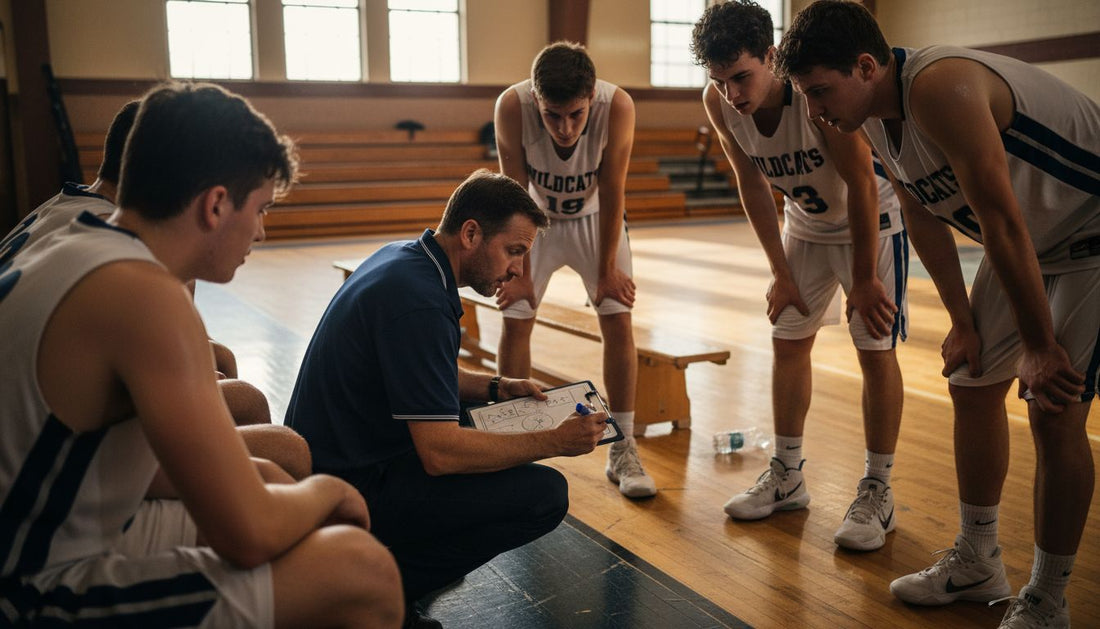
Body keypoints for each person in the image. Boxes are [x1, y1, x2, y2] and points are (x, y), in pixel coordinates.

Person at [0, 82, 402, 628]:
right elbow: (248, 535)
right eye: (260, 209)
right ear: (215, 204)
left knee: (273, 478)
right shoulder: (147, 295)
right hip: (27, 585)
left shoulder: (78, 235)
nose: (260, 232)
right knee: (363, 572)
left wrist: (273, 483)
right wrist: (331, 489)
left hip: (48, 521)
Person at [776, 2, 1099, 627]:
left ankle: (1048, 598)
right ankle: (979, 558)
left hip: (1090, 232)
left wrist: (1038, 345)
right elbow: (925, 210)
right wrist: (963, 320)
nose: (812, 111)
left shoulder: (939, 86)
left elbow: (999, 220)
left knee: (1055, 410)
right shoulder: (869, 113)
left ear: (866, 66)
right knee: (972, 381)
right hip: (1034, 240)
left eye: (819, 92)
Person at [285, 169, 608, 627]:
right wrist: (554, 441)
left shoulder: (403, 259)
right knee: (545, 494)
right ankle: (371, 589)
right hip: (350, 487)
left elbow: (418, 371)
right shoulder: (420, 301)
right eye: (514, 251)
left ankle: (389, 564)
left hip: (335, 457)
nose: (517, 269)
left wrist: (497, 386)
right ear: (472, 233)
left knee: (489, 417)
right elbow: (439, 454)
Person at [691, 0, 908, 552]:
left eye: (742, 76)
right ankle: (787, 475)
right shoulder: (720, 105)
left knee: (874, 349)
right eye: (721, 81)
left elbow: (861, 183)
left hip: (872, 226)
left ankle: (878, 488)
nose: (733, 93)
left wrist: (864, 279)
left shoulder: (813, 100)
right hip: (806, 227)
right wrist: (779, 273)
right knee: (787, 339)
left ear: (772, 56)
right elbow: (750, 181)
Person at [2, 98, 309, 477]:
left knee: (226, 375)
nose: (261, 232)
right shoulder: (136, 274)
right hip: (40, 494)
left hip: (36, 445)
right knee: (283, 453)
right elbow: (251, 520)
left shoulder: (77, 222)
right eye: (261, 210)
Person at [494, 41, 656, 498]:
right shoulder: (512, 105)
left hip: (595, 218)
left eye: (575, 116)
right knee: (516, 313)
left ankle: (623, 445)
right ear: (535, 99)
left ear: (591, 99)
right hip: (535, 219)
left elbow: (615, 186)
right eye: (552, 116)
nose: (564, 129)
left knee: (617, 316)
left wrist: (607, 268)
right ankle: (512, 437)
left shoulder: (617, 105)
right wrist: (518, 264)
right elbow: (513, 189)